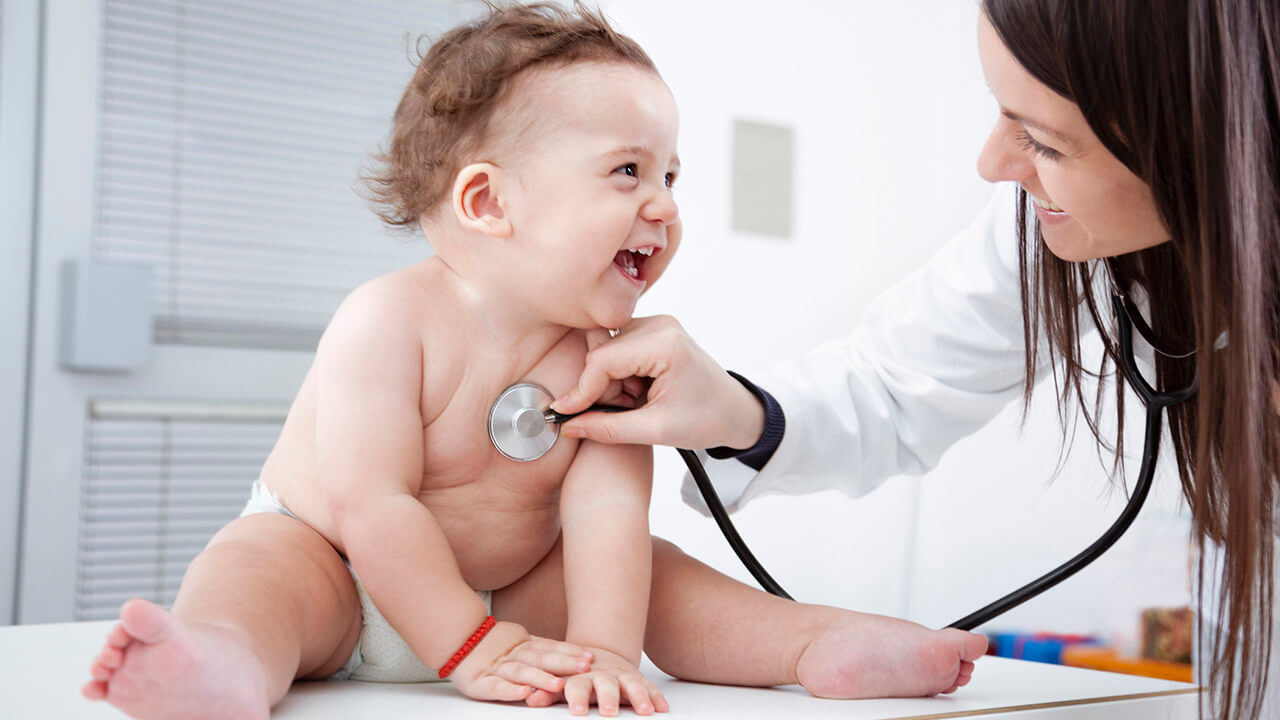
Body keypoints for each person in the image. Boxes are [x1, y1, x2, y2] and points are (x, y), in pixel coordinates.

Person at [79, 3, 987, 719]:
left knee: (657, 574)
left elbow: (604, 518)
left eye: (672, 176)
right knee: (255, 571)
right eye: (628, 172)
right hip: (343, 573)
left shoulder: (608, 358)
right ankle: (224, 662)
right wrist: (468, 649)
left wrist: (601, 650)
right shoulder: (387, 321)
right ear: (487, 201)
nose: (665, 206)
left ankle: (809, 643)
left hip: (512, 596)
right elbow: (372, 503)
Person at [550, 2, 1279, 720]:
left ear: (1205, 146)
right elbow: (895, 383)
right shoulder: (1054, 224)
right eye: (1001, 110)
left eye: (1045, 142)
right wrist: (736, 411)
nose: (992, 164)